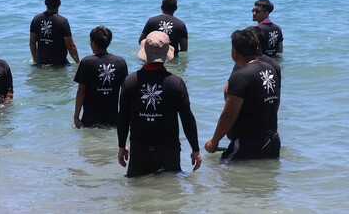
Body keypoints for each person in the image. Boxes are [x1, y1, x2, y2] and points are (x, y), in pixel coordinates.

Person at [117, 31, 202, 177]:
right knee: (169, 195)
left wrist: (121, 146)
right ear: (167, 54)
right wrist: (195, 149)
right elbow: (187, 118)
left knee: (136, 196)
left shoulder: (129, 82)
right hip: (169, 149)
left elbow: (123, 117)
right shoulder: (176, 83)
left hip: (139, 148)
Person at [205, 29, 281, 160]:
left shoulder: (240, 76)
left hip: (249, 143)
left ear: (234, 51)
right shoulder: (271, 69)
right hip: (273, 140)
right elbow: (276, 103)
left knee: (226, 175)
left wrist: (214, 141)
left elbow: (227, 116)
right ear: (256, 47)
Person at [73, 26, 128, 128]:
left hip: (90, 120)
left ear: (93, 42)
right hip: (113, 119)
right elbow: (125, 92)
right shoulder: (120, 62)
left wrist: (76, 117)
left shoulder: (87, 62)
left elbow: (81, 91)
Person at [30, 0, 80, 66]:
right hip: (59, 65)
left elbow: (32, 43)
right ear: (59, 4)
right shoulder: (62, 22)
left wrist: (36, 60)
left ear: (45, 3)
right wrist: (78, 64)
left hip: (41, 64)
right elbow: (71, 47)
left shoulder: (36, 19)